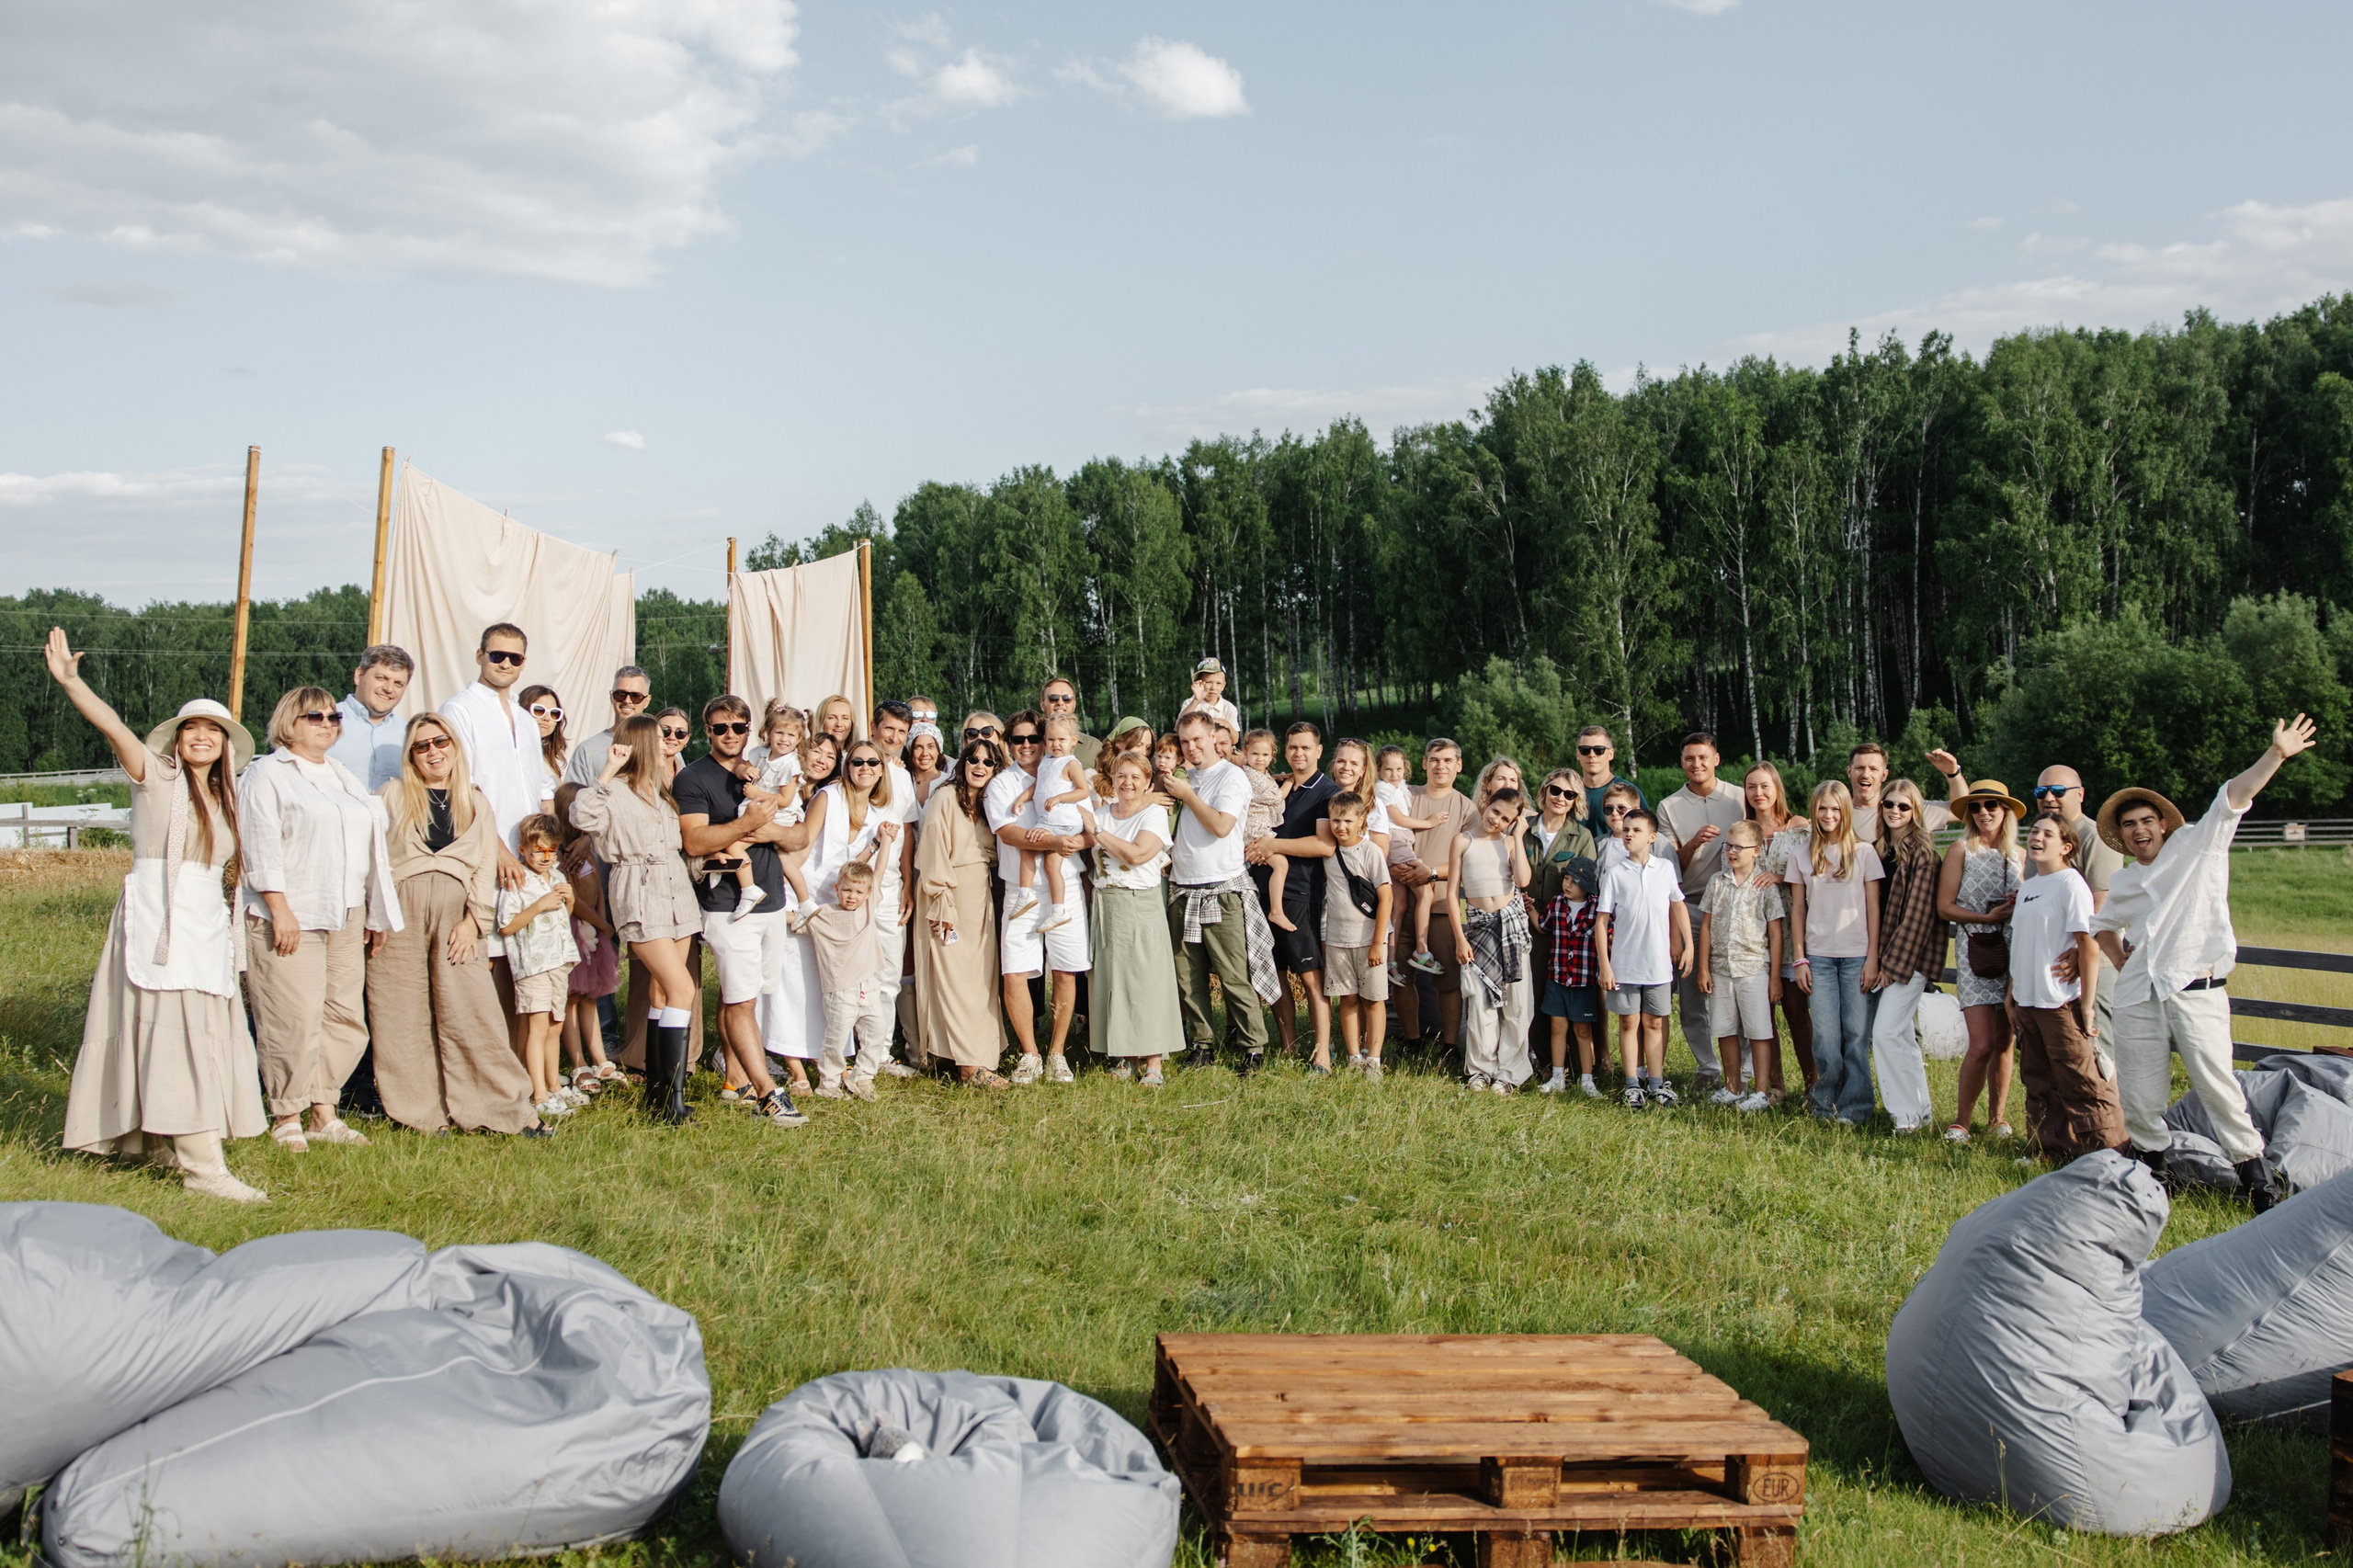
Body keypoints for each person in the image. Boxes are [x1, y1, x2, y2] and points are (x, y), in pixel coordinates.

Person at [47, 630, 267, 1201]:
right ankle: (204, 1168)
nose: (201, 738)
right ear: (177, 739)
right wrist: (74, 684)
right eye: (191, 729)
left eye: (212, 732)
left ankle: (165, 1144)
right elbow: (115, 726)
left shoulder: (226, 799)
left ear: (225, 747)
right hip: (159, 921)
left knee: (195, 1034)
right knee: (171, 1036)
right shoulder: (157, 777)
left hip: (202, 927)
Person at [2093, 716, 2318, 1211]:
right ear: (2123, 837)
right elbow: (2102, 924)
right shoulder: (2128, 880)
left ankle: (2259, 1186)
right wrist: (2120, 960)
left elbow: (2233, 795)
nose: (2138, 830)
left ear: (2163, 823)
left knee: (2218, 1088)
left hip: (2196, 988)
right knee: (2140, 1096)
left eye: (2146, 821)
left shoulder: (2199, 843)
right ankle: (2154, 1181)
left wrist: (2276, 754)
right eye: (2129, 825)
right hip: (2139, 995)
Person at [239, 684, 402, 1153]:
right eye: (317, 717)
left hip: (345, 910)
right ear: (291, 722)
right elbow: (260, 842)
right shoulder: (267, 774)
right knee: (292, 1015)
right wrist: (278, 907)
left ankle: (323, 1109)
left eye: (335, 718)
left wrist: (374, 911)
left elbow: (371, 846)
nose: (329, 724)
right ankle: (287, 1111)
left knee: (344, 1015)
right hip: (293, 911)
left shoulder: (341, 775)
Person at [367, 712, 542, 1137]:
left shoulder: (475, 801)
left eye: (440, 742)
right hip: (399, 914)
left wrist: (474, 923)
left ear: (454, 746)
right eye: (422, 746)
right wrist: (376, 916)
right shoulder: (391, 795)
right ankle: (420, 1113)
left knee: (473, 1012)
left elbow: (484, 865)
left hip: (456, 916)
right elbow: (372, 859)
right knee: (400, 1013)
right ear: (411, 755)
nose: (433, 752)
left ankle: (503, 1111)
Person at [569, 713, 704, 1124]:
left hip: (677, 890)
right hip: (640, 891)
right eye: (661, 735)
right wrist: (608, 769)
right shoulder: (613, 791)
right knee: (682, 989)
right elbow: (581, 817)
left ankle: (657, 1094)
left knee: (664, 995)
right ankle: (673, 1101)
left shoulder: (661, 791)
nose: (668, 740)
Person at [1163, 710, 1280, 1071]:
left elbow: (1220, 825)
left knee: (1233, 974)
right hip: (1183, 887)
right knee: (1188, 976)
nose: (1192, 747)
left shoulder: (1232, 777)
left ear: (1214, 736)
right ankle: (1202, 1045)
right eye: (1184, 742)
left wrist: (1187, 794)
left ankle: (1254, 1048)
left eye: (1198, 739)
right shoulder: (1182, 776)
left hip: (1222, 888)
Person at [789, 736, 910, 1083]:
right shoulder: (829, 796)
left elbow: (858, 865)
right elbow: (803, 845)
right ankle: (803, 1061)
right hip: (810, 895)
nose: (866, 769)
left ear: (882, 770)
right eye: (858, 762)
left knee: (835, 985)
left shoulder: (876, 812)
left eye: (873, 763)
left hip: (845, 902)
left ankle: (837, 1061)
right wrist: (794, 895)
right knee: (804, 982)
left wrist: (877, 843)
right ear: (847, 766)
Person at [2010, 816, 2125, 1163]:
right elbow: (2023, 943)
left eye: (2048, 834)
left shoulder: (2070, 884)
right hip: (2027, 1001)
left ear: (2066, 847)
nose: (2037, 838)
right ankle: (2049, 1151)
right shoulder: (2029, 885)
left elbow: (2087, 945)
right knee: (2037, 1079)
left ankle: (2109, 1154)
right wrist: (2012, 993)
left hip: (2059, 1001)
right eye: (2033, 832)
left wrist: (2086, 1005)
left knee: (2081, 1081)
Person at [984, 712, 1093, 1083]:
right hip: (1021, 889)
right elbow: (1009, 832)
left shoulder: (1064, 767)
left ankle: (1057, 1053)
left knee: (1065, 969)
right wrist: (1055, 841)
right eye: (1018, 740)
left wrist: (1078, 841)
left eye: (1034, 738)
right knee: (1014, 970)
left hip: (1066, 884)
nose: (1027, 745)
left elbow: (1089, 828)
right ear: (1008, 744)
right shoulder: (1001, 784)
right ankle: (1029, 1053)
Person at [1786, 780, 1884, 1126]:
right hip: (1819, 958)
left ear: (1846, 811)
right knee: (1826, 1037)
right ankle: (1824, 1102)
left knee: (1856, 1035)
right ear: (1813, 811)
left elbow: (1874, 909)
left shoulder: (1864, 853)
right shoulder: (1801, 855)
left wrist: (1873, 958)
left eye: (1835, 809)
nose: (1829, 815)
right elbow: (1798, 910)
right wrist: (1800, 958)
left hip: (1857, 955)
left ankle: (1856, 1107)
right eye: (1822, 809)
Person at [915, 739, 1011, 1086]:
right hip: (947, 894)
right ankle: (969, 1067)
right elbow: (932, 851)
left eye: (988, 761)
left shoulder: (988, 803)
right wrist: (942, 901)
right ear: (963, 762)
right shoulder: (944, 797)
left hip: (979, 895)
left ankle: (978, 1055)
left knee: (980, 979)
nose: (980, 766)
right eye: (973, 759)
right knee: (955, 978)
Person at [1938, 778, 2026, 1143]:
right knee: (1981, 1042)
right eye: (1976, 806)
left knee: (2005, 1040)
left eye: (1992, 805)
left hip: (2012, 950)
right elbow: (1944, 906)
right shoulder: (1961, 850)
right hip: (1976, 949)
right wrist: (1987, 919)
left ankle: (1997, 1117)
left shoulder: (2019, 854)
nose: (1984, 812)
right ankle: (1962, 1120)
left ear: (2005, 811)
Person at [1658, 733, 1747, 1094]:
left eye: (1703, 757)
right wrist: (1693, 843)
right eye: (1690, 758)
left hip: (1734, 905)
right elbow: (1669, 865)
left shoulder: (1739, 798)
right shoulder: (1669, 806)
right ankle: (1707, 1066)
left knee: (1734, 990)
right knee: (1693, 992)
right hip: (1691, 905)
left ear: (1717, 759)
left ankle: (1742, 1069)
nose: (1697, 764)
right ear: (1682, 763)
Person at [1089, 752, 1183, 1084]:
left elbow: (1138, 854)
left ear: (1147, 783)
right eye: (1121, 776)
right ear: (1112, 779)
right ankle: (1124, 1056)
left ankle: (1153, 1063)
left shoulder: (1153, 815)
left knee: (1146, 981)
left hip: (1139, 902)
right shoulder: (1101, 813)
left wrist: (1096, 831)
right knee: (1115, 981)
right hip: (1106, 904)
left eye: (1135, 777)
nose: (1127, 783)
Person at [2025, 764, 2129, 1060]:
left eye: (2058, 791)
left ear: (2080, 795)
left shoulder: (2095, 836)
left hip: (2093, 964)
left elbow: (2103, 903)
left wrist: (2080, 953)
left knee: (2097, 1053)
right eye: (2041, 791)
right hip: (2055, 968)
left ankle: (2110, 1107)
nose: (2049, 798)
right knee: (2062, 1058)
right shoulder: (2042, 839)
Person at [1256, 722, 1339, 1065]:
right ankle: (1288, 1046)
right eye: (1292, 747)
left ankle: (1322, 1053)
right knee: (1274, 974)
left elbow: (1324, 844)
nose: (1298, 754)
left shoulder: (1327, 792)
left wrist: (1273, 845)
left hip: (1301, 893)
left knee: (1309, 975)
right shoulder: (1277, 787)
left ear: (1319, 751)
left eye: (1305, 748)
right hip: (1261, 888)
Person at [1596, 808, 1689, 1108]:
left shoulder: (1664, 869)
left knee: (1654, 1022)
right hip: (1625, 965)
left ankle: (1657, 1083)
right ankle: (1632, 1084)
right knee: (1628, 1023)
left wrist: (1687, 945)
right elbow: (1601, 922)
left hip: (1658, 965)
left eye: (1636, 830)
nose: (1628, 834)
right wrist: (1605, 965)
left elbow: (1678, 907)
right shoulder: (1614, 874)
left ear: (1652, 837)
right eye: (1625, 829)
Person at [1392, 737, 1480, 1054]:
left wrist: (1429, 871)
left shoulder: (1467, 809)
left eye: (1447, 760)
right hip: (1401, 901)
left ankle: (1449, 1044)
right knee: (1401, 974)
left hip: (1443, 904)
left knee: (1447, 981)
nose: (1440, 766)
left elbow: (1470, 858)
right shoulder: (1405, 795)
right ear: (1425, 762)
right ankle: (1412, 1039)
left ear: (1458, 766)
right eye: (1434, 759)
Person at [1869, 778, 1944, 1132]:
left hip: (1909, 960)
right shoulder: (1880, 849)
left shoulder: (1923, 854)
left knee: (1884, 1033)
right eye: (1889, 804)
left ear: (1915, 811)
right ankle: (1920, 1110)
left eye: (1904, 806)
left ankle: (1904, 1115)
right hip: (1885, 955)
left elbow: (1917, 917)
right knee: (1901, 1037)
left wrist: (1891, 966)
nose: (1895, 811)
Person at [495, 812, 583, 1120]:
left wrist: (569, 900)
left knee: (555, 1025)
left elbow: (564, 915)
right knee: (537, 1026)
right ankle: (538, 1093)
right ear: (523, 850)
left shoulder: (557, 876)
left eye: (551, 850)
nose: (546, 857)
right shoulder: (517, 880)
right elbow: (506, 926)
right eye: (539, 851)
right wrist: (538, 906)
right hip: (532, 965)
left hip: (559, 961)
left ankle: (553, 1084)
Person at [436, 623, 538, 883]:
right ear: (480, 656)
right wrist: (498, 850)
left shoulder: (526, 719)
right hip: (484, 855)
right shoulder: (459, 710)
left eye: (514, 658)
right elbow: (460, 788)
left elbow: (539, 788)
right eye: (497, 656)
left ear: (523, 663)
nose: (505, 663)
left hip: (532, 856)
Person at [1449, 787, 1535, 1094]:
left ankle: (1510, 1071)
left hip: (1511, 926)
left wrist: (1519, 835)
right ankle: (1480, 1069)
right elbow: (1451, 894)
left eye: (1505, 818)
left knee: (1516, 1003)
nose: (1496, 820)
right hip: (1478, 927)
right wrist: (1460, 937)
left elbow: (1523, 881)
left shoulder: (1510, 842)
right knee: (1481, 1001)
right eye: (1495, 812)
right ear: (1486, 805)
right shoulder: (1463, 840)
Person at [1694, 820, 1783, 1113]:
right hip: (1720, 969)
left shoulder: (1764, 886)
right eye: (1728, 846)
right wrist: (1704, 968)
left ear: (1756, 851)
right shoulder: (1717, 882)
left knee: (1758, 1031)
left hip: (1754, 969)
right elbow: (1705, 926)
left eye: (1738, 847)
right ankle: (1733, 1087)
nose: (1731, 851)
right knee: (1725, 1029)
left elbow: (1775, 933)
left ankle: (1759, 1091)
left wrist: (1774, 978)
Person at [1745, 761, 1813, 1096]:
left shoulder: (1800, 828)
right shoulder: (1743, 833)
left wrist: (1781, 877)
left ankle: (1814, 1083)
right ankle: (1775, 1086)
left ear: (1777, 789)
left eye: (1764, 786)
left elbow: (1820, 873)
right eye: (1752, 787)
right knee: (1763, 1016)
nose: (1758, 793)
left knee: (1797, 1013)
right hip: (1756, 934)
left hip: (1794, 929)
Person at [801, 862, 894, 1101]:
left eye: (859, 892)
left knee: (877, 1031)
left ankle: (862, 1076)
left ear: (868, 894)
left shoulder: (868, 909)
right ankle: (828, 1083)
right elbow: (792, 918)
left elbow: (880, 871)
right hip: (841, 990)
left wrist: (884, 841)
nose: (852, 896)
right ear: (837, 888)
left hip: (868, 986)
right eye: (847, 890)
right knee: (837, 1038)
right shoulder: (824, 914)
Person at [1319, 790, 1392, 1078]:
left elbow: (1386, 897)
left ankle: (1373, 1059)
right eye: (1335, 820)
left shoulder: (1371, 851)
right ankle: (1353, 1058)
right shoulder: (1327, 851)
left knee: (1373, 999)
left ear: (1361, 820)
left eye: (1348, 820)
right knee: (1347, 998)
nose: (1341, 827)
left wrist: (1378, 942)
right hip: (1337, 938)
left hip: (1368, 939)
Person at [553, 782, 620, 1094]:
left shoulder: (587, 849)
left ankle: (599, 1057)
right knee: (572, 998)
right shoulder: (562, 856)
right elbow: (573, 901)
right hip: (575, 931)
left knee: (592, 996)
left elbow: (597, 892)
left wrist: (604, 920)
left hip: (595, 930)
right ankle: (578, 1061)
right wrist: (600, 924)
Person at [717, 702, 813, 912]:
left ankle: (749, 889)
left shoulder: (789, 765)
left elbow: (785, 799)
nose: (784, 740)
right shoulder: (761, 753)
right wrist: (744, 772)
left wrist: (756, 793)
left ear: (798, 740)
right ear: (769, 733)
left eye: (791, 736)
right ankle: (805, 902)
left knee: (733, 845)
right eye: (779, 733)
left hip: (778, 813)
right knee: (785, 861)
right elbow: (742, 767)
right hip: (765, 808)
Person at [1009, 713, 1096, 934]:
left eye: (1062, 740)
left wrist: (1059, 798)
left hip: (1064, 821)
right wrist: (1022, 797)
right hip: (1050, 820)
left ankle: (1025, 894)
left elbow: (1082, 790)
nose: (1056, 745)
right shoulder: (1046, 761)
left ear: (1074, 741)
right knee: (1050, 865)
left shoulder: (1071, 763)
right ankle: (1057, 909)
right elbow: (1038, 785)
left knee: (1029, 844)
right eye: (1051, 740)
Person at [1535, 856, 1603, 1097]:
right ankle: (1557, 1077)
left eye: (1574, 881)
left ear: (1587, 885)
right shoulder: (1556, 903)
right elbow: (1543, 926)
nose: (1568, 884)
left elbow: (1608, 936)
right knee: (1557, 1027)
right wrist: (1530, 907)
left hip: (1584, 981)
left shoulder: (1598, 907)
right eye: (1566, 878)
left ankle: (1587, 1079)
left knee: (1583, 1030)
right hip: (1557, 977)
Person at [1372, 744, 1443, 976]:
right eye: (1388, 769)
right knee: (1425, 893)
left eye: (1399, 769)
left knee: (1399, 905)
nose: (1394, 774)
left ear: (1405, 769)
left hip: (1401, 840)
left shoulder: (1400, 787)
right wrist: (1430, 823)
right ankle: (1421, 950)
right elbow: (1400, 819)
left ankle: (1390, 962)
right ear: (1378, 770)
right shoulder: (1382, 789)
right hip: (1396, 840)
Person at [329, 643, 415, 791]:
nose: (389, 689)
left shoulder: (410, 735)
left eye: (398, 684)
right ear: (358, 676)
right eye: (382, 678)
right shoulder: (323, 722)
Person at [1847, 740, 1968, 844]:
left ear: (1884, 775)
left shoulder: (1906, 809)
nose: (1866, 775)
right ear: (1849, 772)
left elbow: (1960, 809)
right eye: (1860, 768)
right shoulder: (1835, 814)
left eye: (1873, 769)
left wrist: (1953, 774)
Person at [564, 666, 654, 786]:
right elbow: (570, 798)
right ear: (611, 697)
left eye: (635, 696)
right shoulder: (588, 750)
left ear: (647, 701)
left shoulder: (659, 745)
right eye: (620, 694)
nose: (627, 701)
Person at [1573, 725, 1645, 824]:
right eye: (1585, 750)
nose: (1592, 755)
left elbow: (1645, 833)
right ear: (1577, 754)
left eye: (1599, 750)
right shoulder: (1567, 794)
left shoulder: (1630, 793)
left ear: (1611, 754)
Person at [517, 685, 566, 812]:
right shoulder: (513, 754)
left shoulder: (547, 758)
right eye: (539, 710)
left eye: (554, 713)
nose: (546, 718)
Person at [1039, 676, 1102, 771]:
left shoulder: (1094, 748)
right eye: (1053, 698)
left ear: (1074, 704)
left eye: (1067, 698)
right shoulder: (1029, 746)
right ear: (1042, 705)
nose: (1060, 703)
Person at [1179, 656, 1243, 738]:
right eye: (1208, 682)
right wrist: (1196, 700)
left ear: (1223, 686)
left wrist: (1228, 726)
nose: (1213, 687)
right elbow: (1179, 727)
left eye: (1218, 683)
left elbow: (1235, 739)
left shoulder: (1229, 708)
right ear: (1198, 683)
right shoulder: (1190, 703)